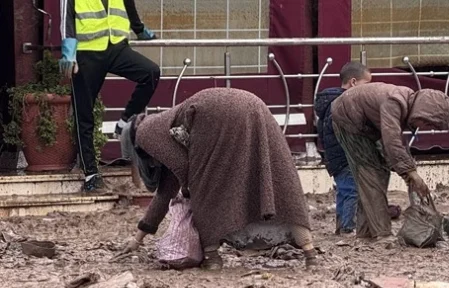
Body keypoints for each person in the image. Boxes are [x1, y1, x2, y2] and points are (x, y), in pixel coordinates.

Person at [115, 88, 316, 270]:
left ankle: (212, 256)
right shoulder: (162, 125)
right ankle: (309, 252)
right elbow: (166, 190)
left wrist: (188, 195)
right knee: (276, 176)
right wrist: (139, 238)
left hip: (215, 113)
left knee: (204, 188)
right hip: (254, 104)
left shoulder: (144, 132)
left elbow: (184, 170)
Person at [60, 0, 161, 193]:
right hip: (86, 53)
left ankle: (123, 122)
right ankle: (91, 174)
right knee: (84, 115)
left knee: (150, 73)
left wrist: (139, 30)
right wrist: (68, 52)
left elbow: (128, 4)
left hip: (117, 48)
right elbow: (67, 19)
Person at [331, 83, 449, 239]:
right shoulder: (395, 102)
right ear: (422, 112)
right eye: (428, 123)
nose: (424, 127)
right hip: (350, 121)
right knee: (372, 176)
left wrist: (408, 175)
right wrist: (412, 174)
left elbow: (393, 147)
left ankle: (366, 231)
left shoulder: (405, 101)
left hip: (361, 123)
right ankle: (381, 233)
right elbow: (392, 142)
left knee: (376, 176)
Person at [314, 62, 372, 235]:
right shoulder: (343, 104)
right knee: (351, 191)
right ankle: (348, 227)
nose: (368, 89)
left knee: (344, 191)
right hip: (345, 156)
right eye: (366, 84)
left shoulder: (329, 103)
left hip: (335, 157)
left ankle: (341, 226)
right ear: (353, 82)